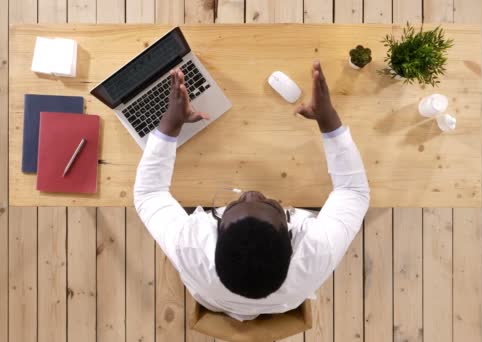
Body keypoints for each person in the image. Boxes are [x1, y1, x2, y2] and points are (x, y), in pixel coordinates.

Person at [134, 60, 370, 321]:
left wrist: (169, 125)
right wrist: (329, 121)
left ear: (215, 234)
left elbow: (149, 194)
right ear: (293, 239)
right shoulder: (316, 251)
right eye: (270, 204)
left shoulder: (191, 249)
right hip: (276, 300)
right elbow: (352, 193)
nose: (251, 192)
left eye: (233, 205)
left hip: (216, 298)